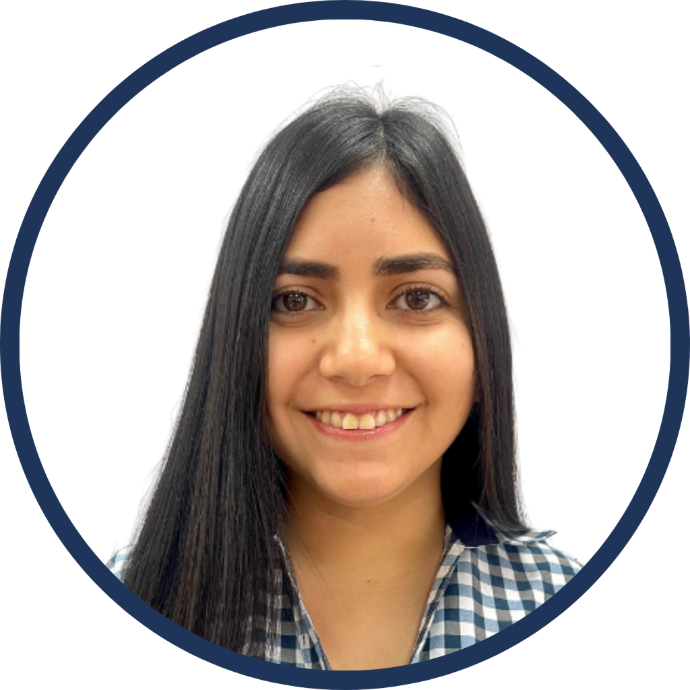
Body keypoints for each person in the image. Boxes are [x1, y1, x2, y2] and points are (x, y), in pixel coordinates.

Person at [107, 88, 580, 670]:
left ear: (483, 345)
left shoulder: (574, 613)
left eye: (417, 297)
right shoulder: (122, 606)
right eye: (295, 300)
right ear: (234, 345)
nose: (356, 360)